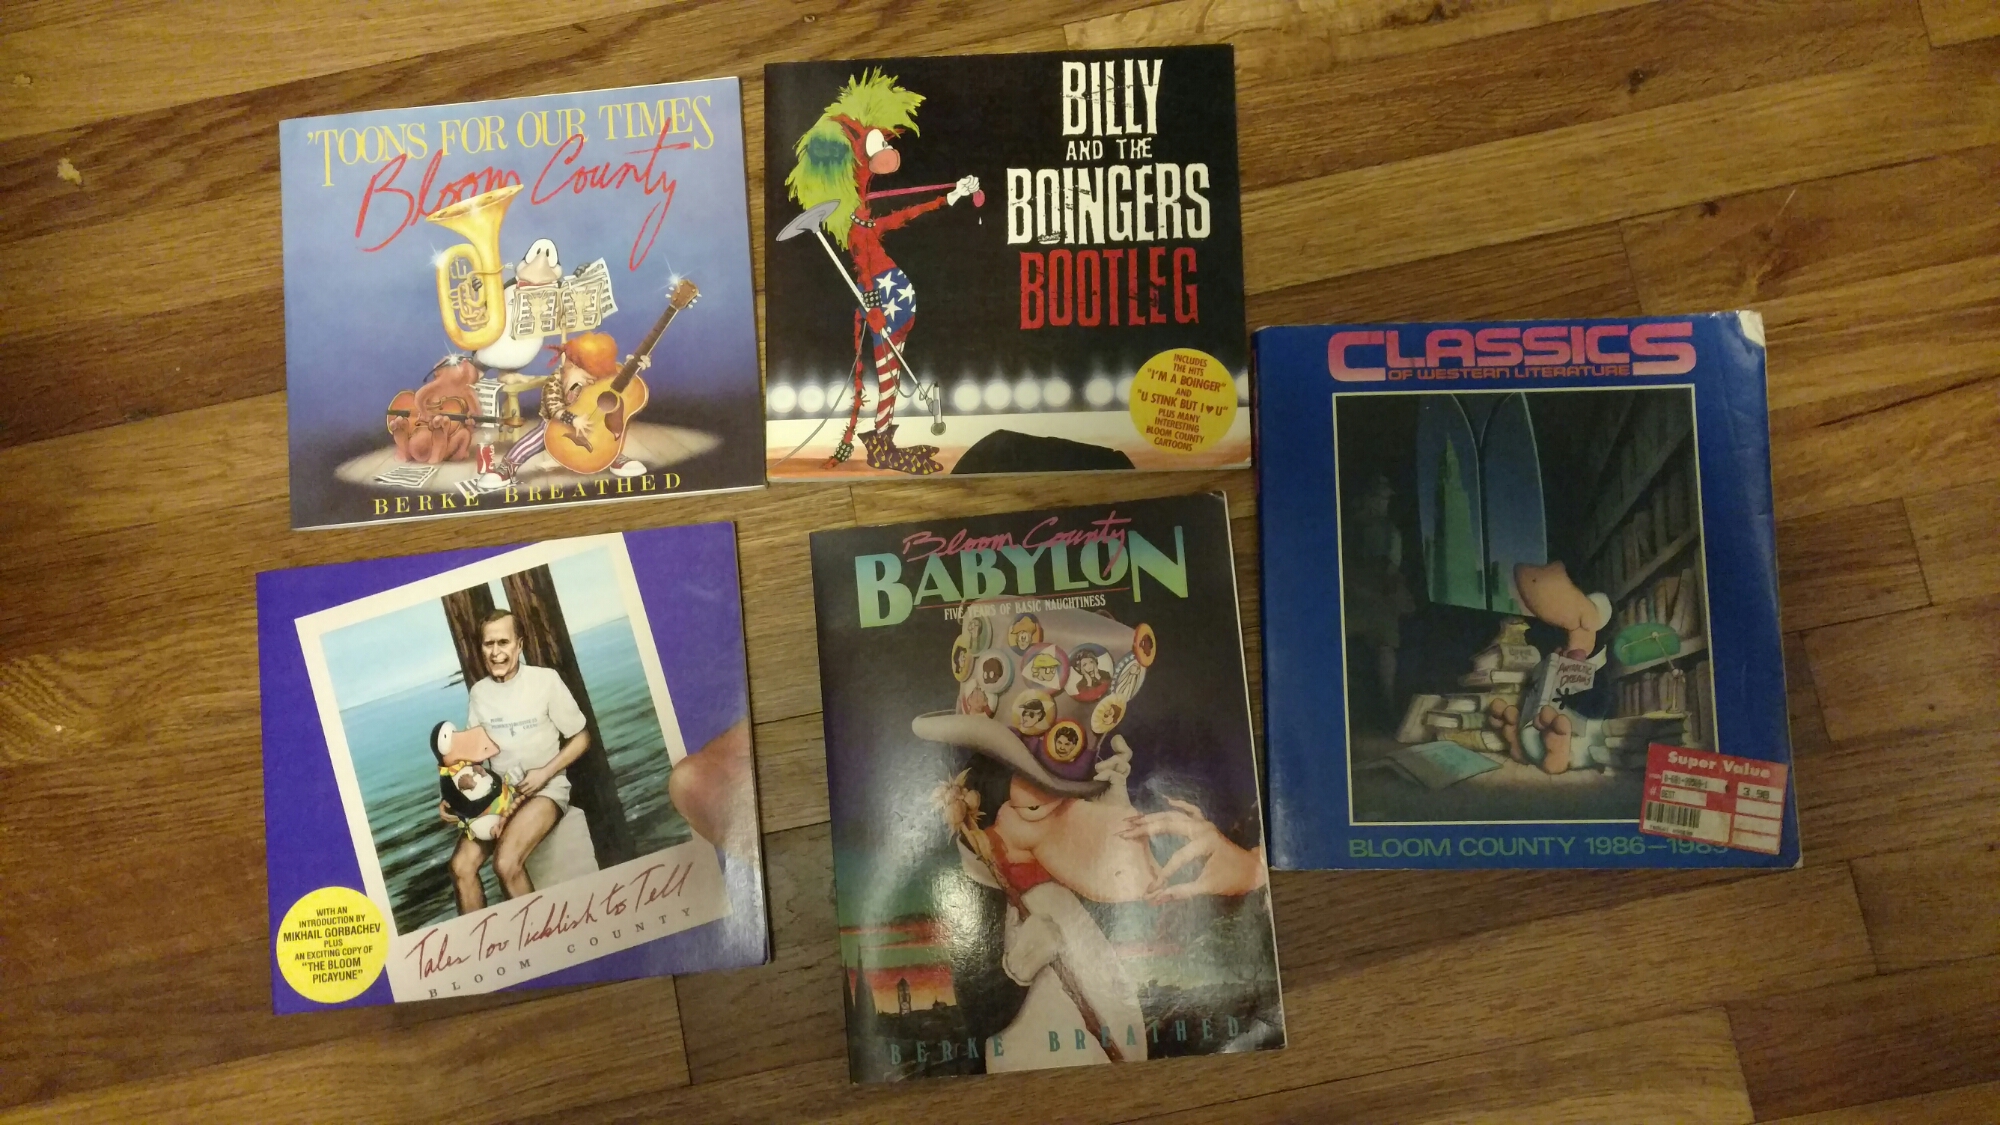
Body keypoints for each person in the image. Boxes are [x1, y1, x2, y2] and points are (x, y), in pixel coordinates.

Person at [446, 609, 592, 912]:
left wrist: (545, 773)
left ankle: (537, 933)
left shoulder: (545, 680)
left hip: (545, 789)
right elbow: (473, 758)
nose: (496, 652)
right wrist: (453, 797)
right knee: (460, 867)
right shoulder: (479, 693)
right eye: (488, 644)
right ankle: (476, 939)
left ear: (519, 645)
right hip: (499, 795)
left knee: (506, 863)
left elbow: (581, 738)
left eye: (503, 642)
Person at [473, 332, 649, 490]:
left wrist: (633, 367)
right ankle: (507, 467)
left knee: (605, 432)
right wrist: (573, 420)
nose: (592, 381)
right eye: (588, 377)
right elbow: (553, 407)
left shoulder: (595, 374)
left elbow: (617, 380)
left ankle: (612, 457)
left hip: (590, 424)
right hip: (557, 426)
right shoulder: (555, 381)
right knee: (539, 435)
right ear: (573, 366)